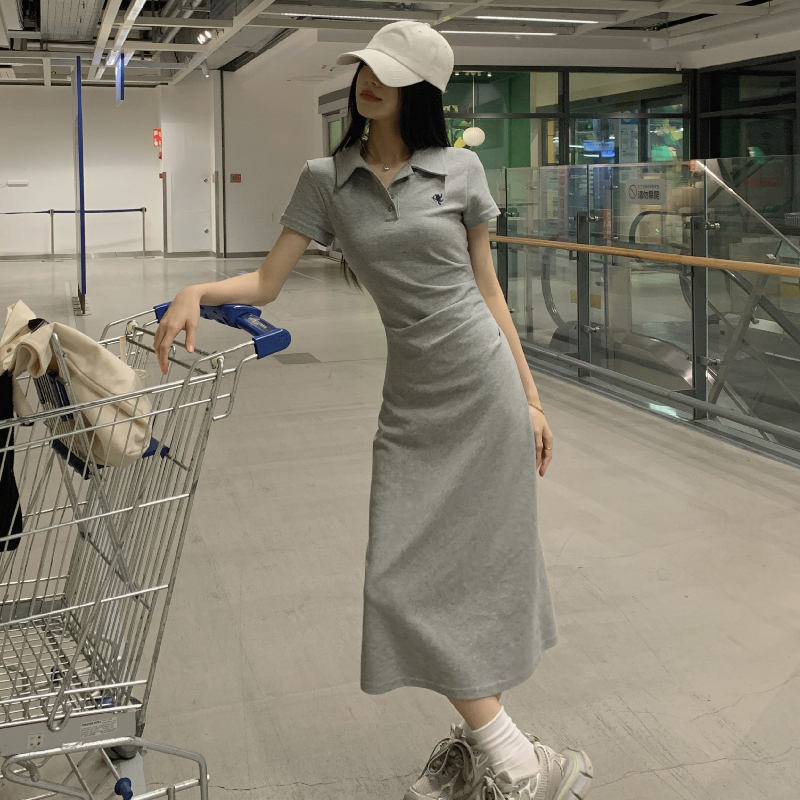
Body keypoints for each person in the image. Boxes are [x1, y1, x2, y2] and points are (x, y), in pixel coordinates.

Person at [153, 20, 593, 800]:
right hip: (412, 402)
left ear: (420, 89)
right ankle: (516, 758)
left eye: (388, 72)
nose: (368, 81)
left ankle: (501, 761)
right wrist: (195, 289)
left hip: (484, 386)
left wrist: (531, 398)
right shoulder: (326, 178)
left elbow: (489, 291)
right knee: (399, 581)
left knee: (479, 571)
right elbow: (266, 282)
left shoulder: (460, 170)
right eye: (365, 67)